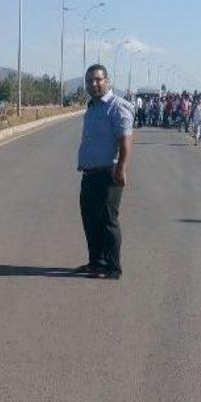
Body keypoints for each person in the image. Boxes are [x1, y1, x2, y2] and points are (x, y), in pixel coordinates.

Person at [76, 64, 134, 279]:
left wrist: (121, 169)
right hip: (90, 174)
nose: (94, 84)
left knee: (108, 221)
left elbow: (125, 141)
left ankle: (112, 267)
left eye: (98, 79)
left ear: (107, 81)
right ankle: (96, 262)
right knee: (90, 220)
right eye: (90, 80)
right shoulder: (92, 106)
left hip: (109, 174)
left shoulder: (117, 106)